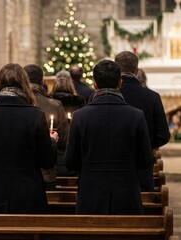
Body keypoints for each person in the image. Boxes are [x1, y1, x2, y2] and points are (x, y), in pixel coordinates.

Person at [65, 60, 153, 215]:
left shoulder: (80, 116)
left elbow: (71, 162)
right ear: (119, 83)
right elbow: (145, 160)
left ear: (94, 85)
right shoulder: (136, 116)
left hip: (90, 193)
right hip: (127, 193)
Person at [0, 63, 58, 213]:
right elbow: (47, 161)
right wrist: (52, 142)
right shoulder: (35, 115)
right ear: (24, 84)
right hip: (28, 192)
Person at [115, 51, 170, 191]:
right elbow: (163, 135)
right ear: (136, 70)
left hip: (113, 167)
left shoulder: (104, 96)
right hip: (141, 166)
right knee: (141, 207)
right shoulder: (152, 97)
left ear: (116, 68)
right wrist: (147, 145)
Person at [24, 64, 69, 189]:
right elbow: (65, 142)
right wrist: (52, 140)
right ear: (42, 81)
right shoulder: (54, 105)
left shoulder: (17, 104)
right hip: (45, 174)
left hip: (20, 173)